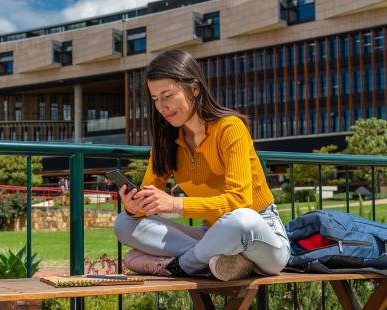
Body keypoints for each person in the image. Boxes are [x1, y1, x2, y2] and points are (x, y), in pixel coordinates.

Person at [113, 49, 290, 281]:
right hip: (213, 236)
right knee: (124, 223)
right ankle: (223, 262)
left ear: (194, 88)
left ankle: (184, 265)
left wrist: (175, 204)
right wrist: (133, 205)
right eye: (155, 99)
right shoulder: (167, 142)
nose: (161, 107)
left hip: (260, 236)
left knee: (241, 220)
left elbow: (240, 201)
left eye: (167, 95)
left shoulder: (230, 128)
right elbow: (148, 199)